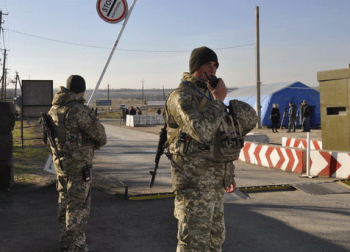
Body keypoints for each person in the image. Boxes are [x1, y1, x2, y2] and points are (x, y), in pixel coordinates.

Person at [163, 46, 256, 251]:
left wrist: (227, 173)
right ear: (196, 66)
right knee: (193, 244)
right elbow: (202, 131)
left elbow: (221, 137)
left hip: (214, 184)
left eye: (215, 65)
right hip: (193, 184)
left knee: (215, 241)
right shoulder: (181, 97)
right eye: (208, 64)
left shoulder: (209, 96)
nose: (212, 70)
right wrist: (219, 101)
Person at [47, 75, 107, 252]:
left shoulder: (55, 108)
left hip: (61, 164)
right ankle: (76, 247)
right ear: (81, 91)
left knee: (64, 203)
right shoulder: (78, 110)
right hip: (79, 167)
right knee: (78, 208)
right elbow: (101, 137)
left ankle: (65, 240)